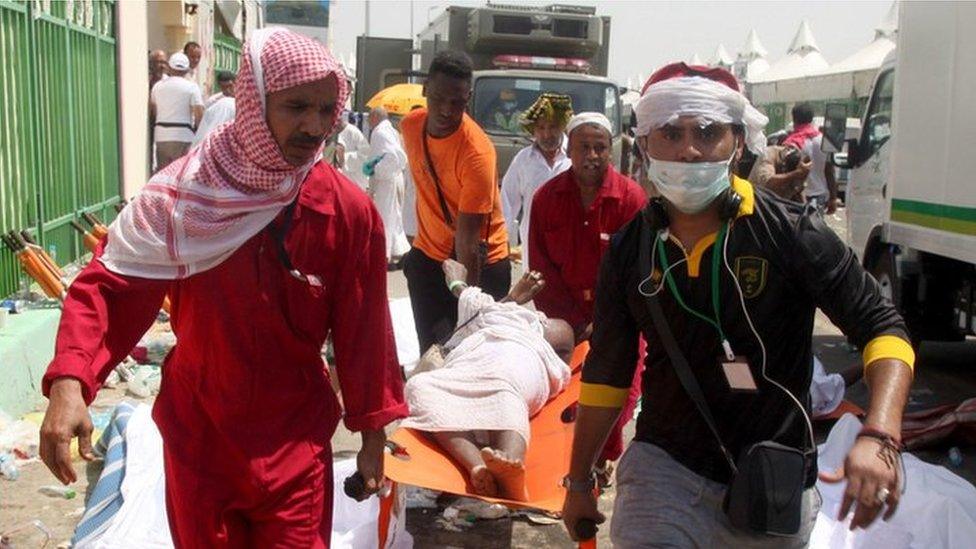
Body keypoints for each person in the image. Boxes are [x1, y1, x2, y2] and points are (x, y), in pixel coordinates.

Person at [39, 28, 407, 546]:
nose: (314, 126)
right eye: (297, 106)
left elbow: (366, 334)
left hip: (294, 447)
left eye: (326, 110)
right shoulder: (184, 200)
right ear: (255, 104)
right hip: (200, 441)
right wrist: (69, 384)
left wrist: (373, 437)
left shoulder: (347, 214)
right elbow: (111, 287)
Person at [561, 62, 915, 547]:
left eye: (707, 132)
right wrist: (578, 482)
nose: (688, 148)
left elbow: (882, 327)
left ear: (739, 142)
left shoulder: (792, 234)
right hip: (665, 469)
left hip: (771, 479)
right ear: (644, 144)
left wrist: (880, 436)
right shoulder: (629, 250)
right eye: (670, 131)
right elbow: (607, 373)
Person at [528, 111, 646, 487]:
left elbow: (638, 268)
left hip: (618, 317)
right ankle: (567, 456)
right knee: (562, 389)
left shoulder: (631, 199)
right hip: (565, 317)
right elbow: (540, 264)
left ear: (610, 151)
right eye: (584, 147)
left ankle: (603, 456)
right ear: (570, 148)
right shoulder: (547, 198)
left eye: (600, 147)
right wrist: (571, 324)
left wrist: (608, 320)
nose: (592, 155)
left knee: (619, 388)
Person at [402, 259, 574, 501]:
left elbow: (475, 301)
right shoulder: (493, 316)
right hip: (468, 369)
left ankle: (512, 467)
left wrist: (457, 281)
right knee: (420, 387)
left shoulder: (546, 333)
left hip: (511, 367)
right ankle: (477, 466)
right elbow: (481, 306)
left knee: (505, 393)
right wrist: (510, 299)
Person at [400, 50, 510, 353]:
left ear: (469, 98)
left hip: (478, 264)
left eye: (457, 102)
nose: (447, 110)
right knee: (432, 353)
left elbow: (469, 241)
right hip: (429, 256)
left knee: (464, 354)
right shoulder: (410, 127)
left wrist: (467, 304)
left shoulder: (477, 153)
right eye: (438, 99)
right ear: (424, 90)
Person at [500, 93, 573, 269]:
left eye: (553, 127)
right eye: (541, 128)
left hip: (570, 243)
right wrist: (502, 244)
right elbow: (507, 202)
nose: (547, 134)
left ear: (562, 126)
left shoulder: (574, 157)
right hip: (533, 245)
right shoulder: (523, 160)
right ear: (534, 130)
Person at [365, 107, 410, 262]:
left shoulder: (380, 132)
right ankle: (395, 253)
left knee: (384, 217)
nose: (368, 121)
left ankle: (383, 253)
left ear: (376, 116)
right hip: (392, 177)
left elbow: (395, 156)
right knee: (393, 217)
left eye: (369, 117)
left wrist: (376, 168)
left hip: (386, 181)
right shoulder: (390, 131)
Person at [150, 52, 204, 171]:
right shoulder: (192, 87)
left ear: (170, 67)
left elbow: (153, 111)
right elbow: (199, 114)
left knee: (164, 173)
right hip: (184, 136)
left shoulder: (157, 86)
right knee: (181, 173)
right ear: (186, 70)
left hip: (161, 136)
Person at [192, 72, 237, 147]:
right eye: (224, 87)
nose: (228, 90)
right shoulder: (213, 101)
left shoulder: (241, 100)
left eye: (230, 86)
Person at [803, 127, 840, 214]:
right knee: (815, 225)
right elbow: (829, 171)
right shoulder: (824, 142)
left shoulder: (793, 140)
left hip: (798, 195)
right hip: (819, 194)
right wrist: (833, 198)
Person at [334, 114, 370, 191]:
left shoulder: (353, 132)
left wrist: (344, 157)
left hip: (355, 178)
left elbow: (366, 154)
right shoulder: (332, 133)